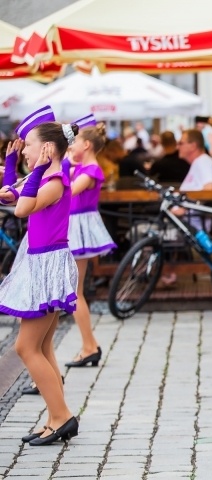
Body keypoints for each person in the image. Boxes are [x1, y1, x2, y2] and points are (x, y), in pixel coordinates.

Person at [0, 106, 80, 446]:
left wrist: (36, 169)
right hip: (43, 263)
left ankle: (62, 417)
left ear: (47, 148)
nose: (26, 150)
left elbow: (21, 208)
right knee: (43, 345)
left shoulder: (55, 180)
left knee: (25, 346)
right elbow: (12, 196)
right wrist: (9, 169)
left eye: (30, 145)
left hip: (47, 268)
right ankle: (54, 416)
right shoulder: (46, 178)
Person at [64, 115, 117, 368]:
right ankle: (89, 344)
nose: (71, 146)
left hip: (79, 229)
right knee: (75, 292)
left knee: (76, 293)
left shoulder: (92, 169)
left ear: (86, 145)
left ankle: (89, 346)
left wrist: (63, 163)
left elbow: (68, 191)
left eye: (74, 142)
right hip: (76, 227)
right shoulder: (83, 167)